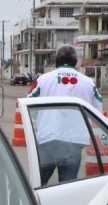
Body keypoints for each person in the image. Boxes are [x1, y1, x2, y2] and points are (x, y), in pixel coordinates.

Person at [26, 46, 103, 185]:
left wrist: (43, 120)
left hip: (47, 138)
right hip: (74, 141)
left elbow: (29, 104)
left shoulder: (43, 79)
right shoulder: (88, 82)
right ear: (76, 62)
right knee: (67, 186)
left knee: (39, 185)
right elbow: (97, 110)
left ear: (56, 60)